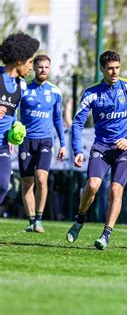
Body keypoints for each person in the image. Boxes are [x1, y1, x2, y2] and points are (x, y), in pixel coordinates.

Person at [66, 50, 127, 250]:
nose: (114, 72)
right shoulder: (91, 92)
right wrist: (77, 149)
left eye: (117, 68)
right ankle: (79, 219)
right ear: (102, 69)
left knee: (115, 189)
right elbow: (77, 123)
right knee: (93, 186)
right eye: (110, 68)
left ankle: (106, 234)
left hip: (123, 150)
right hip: (101, 147)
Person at [19, 55, 66, 233]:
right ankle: (31, 221)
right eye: (40, 67)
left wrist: (62, 144)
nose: (43, 70)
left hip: (45, 140)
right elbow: (13, 113)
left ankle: (39, 219)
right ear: (35, 68)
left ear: (49, 68)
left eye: (46, 67)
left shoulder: (55, 92)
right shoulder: (23, 88)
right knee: (27, 182)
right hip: (26, 140)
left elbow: (58, 119)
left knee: (41, 178)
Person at [0, 32, 39, 205]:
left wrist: (15, 127)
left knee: (2, 185)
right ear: (19, 60)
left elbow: (12, 111)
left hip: (2, 144)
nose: (31, 67)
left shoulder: (21, 85)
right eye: (30, 61)